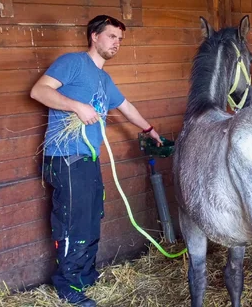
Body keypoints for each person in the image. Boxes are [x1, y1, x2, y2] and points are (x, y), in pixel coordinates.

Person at [30, 15, 163, 307]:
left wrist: (150, 129)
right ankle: (67, 284)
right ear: (94, 36)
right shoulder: (72, 63)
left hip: (88, 157)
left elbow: (125, 106)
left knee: (92, 217)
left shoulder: (104, 79)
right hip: (65, 157)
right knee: (73, 222)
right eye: (112, 36)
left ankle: (85, 275)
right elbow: (38, 91)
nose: (117, 43)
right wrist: (77, 106)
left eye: (120, 39)